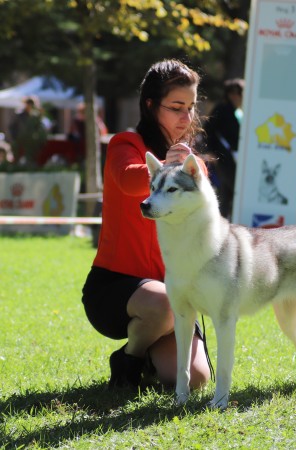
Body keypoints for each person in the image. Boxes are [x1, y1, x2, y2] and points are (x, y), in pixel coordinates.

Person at [81, 59, 211, 390]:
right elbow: (128, 181)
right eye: (177, 107)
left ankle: (152, 356)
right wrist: (169, 166)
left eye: (192, 107)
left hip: (173, 288)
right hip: (116, 288)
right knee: (164, 303)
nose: (187, 117)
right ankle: (129, 360)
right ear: (151, 105)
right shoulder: (126, 144)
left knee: (194, 379)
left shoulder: (192, 165)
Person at [204, 78, 244, 218]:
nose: (235, 96)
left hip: (235, 158)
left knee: (227, 193)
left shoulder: (239, 112)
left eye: (238, 93)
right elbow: (208, 129)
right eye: (231, 93)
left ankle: (224, 221)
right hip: (223, 157)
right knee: (229, 190)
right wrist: (211, 151)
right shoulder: (221, 109)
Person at [9, 95, 48, 168]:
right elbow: (12, 127)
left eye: (31, 104)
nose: (29, 106)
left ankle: (29, 167)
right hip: (19, 138)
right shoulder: (19, 114)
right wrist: (14, 136)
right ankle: (15, 167)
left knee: (30, 156)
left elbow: (38, 126)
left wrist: (40, 115)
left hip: (30, 140)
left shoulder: (35, 116)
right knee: (16, 154)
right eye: (28, 103)